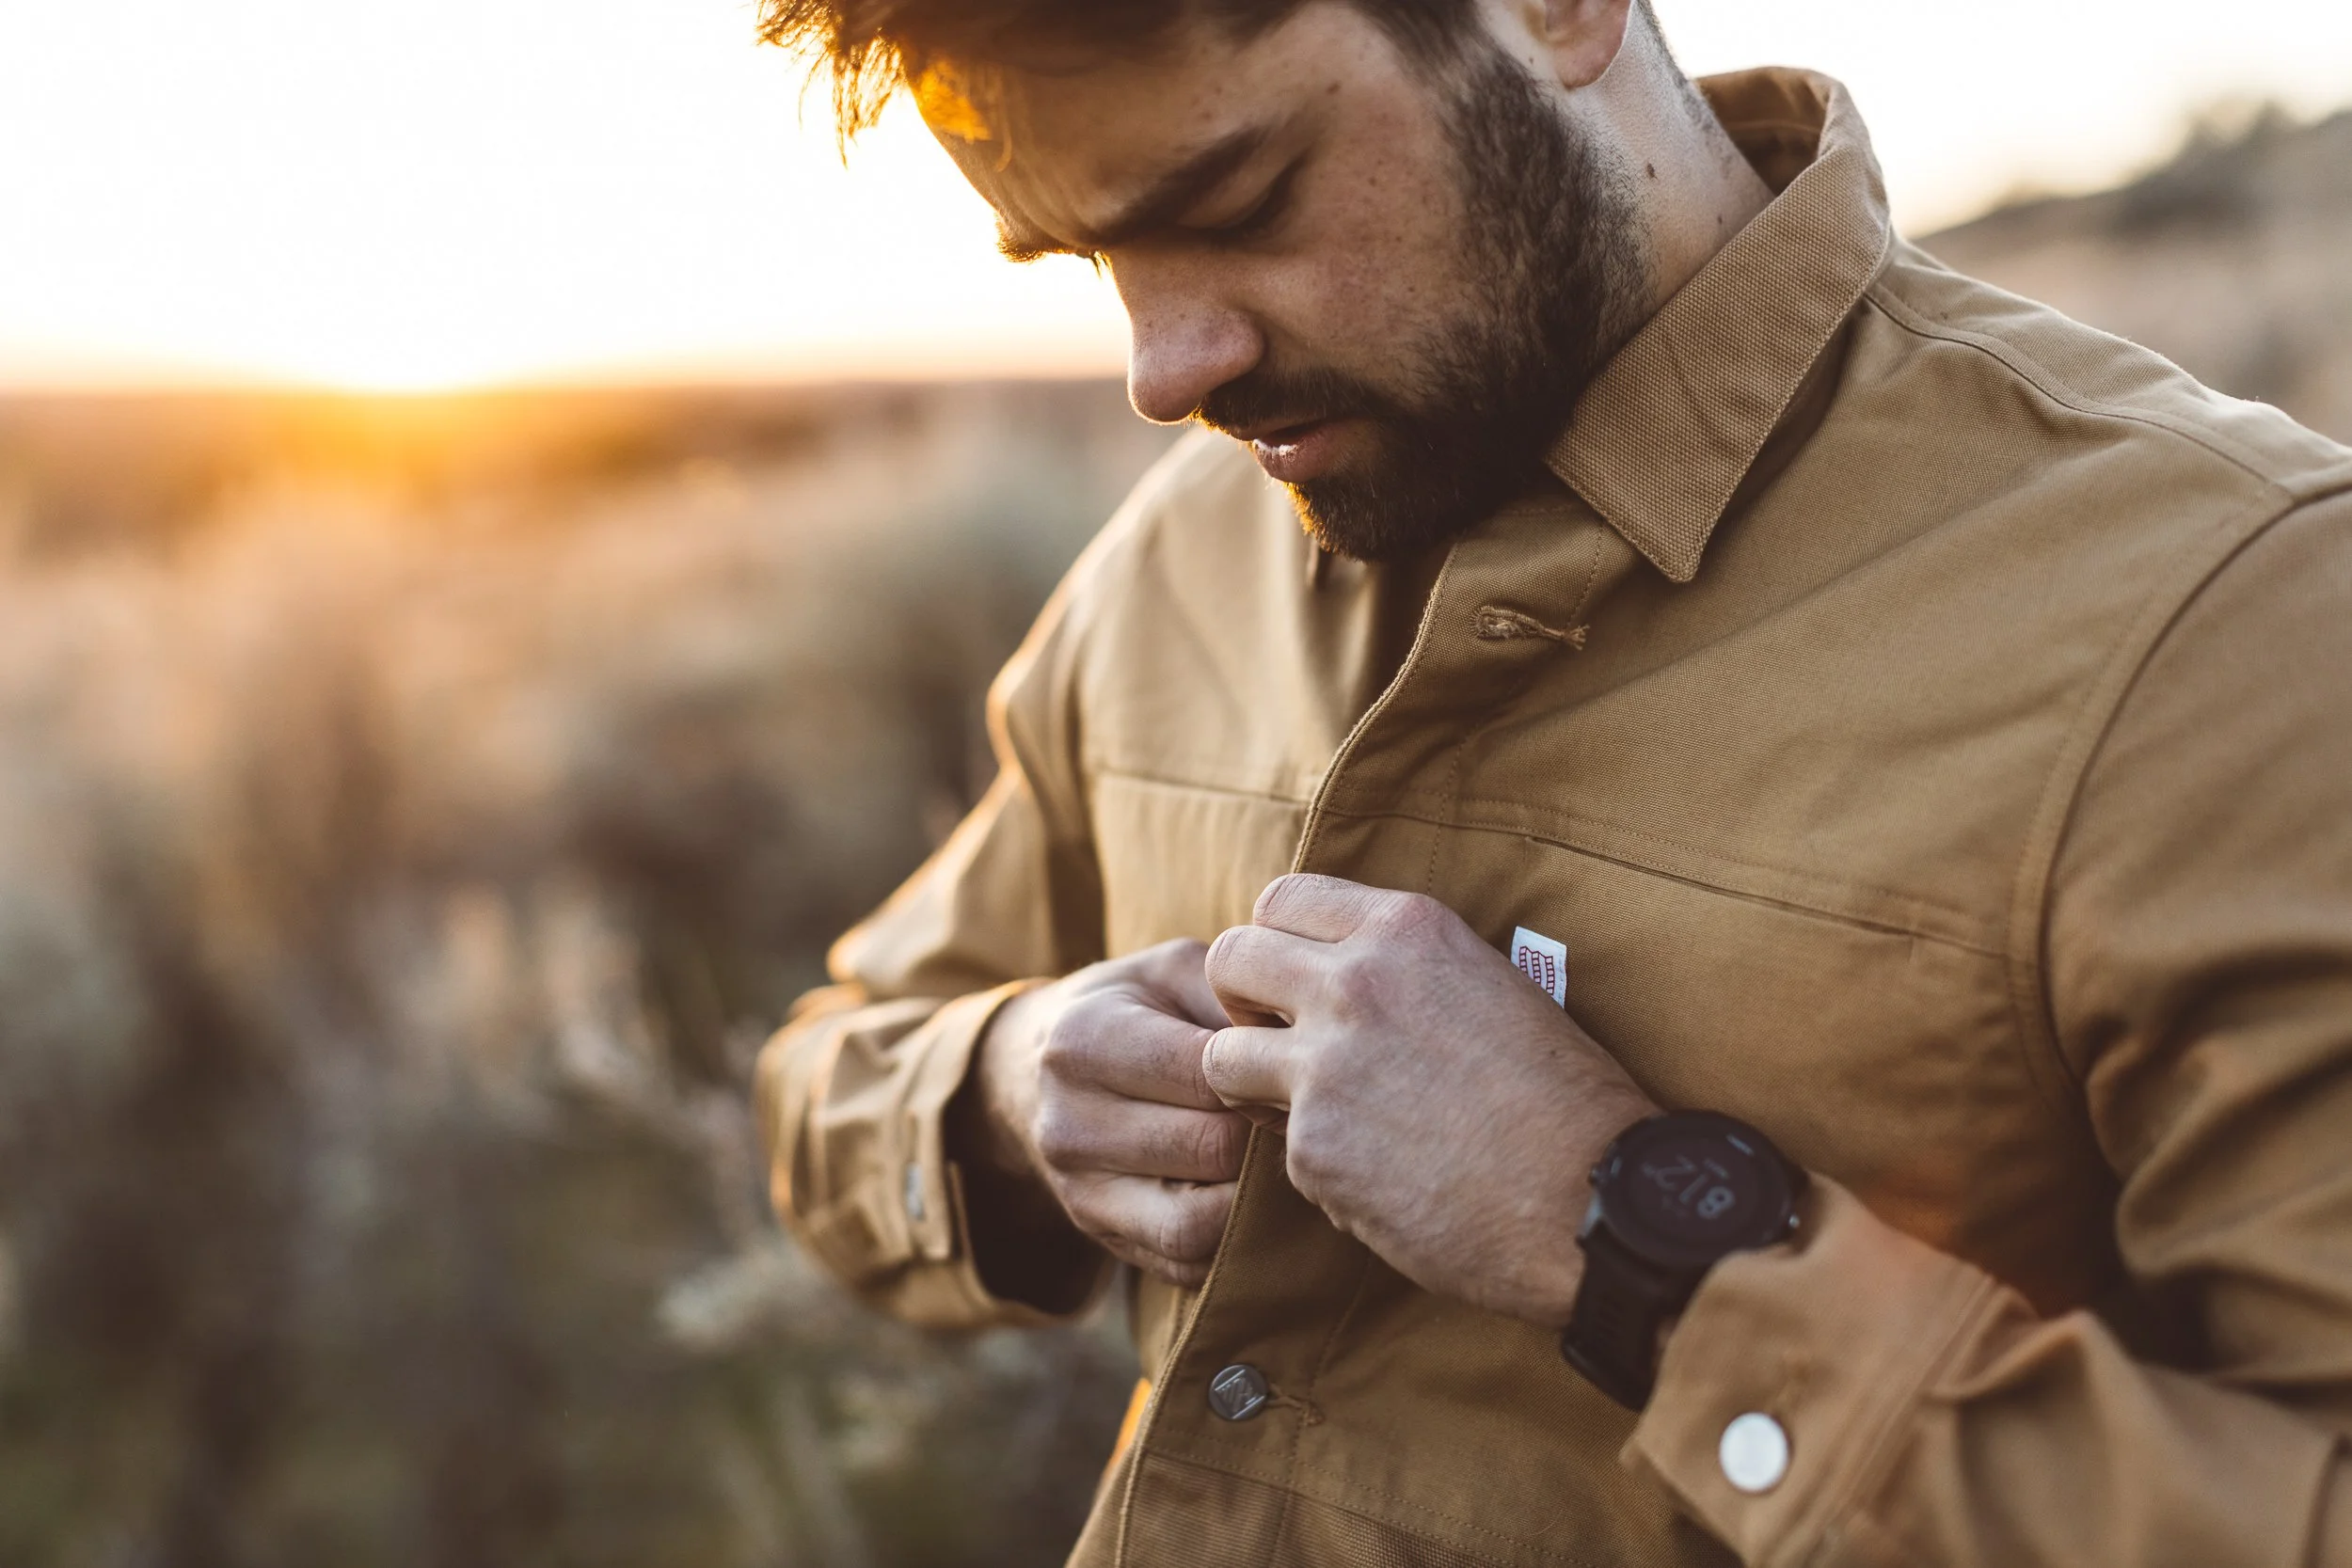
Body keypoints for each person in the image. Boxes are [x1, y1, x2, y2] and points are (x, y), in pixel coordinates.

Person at [751, 1, 2352, 1562]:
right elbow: (831, 1079)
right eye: (1095, 256)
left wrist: (1634, 1236)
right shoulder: (1181, 548)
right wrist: (1014, 1079)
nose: (1166, 370)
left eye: (1241, 198)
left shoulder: (2238, 615)